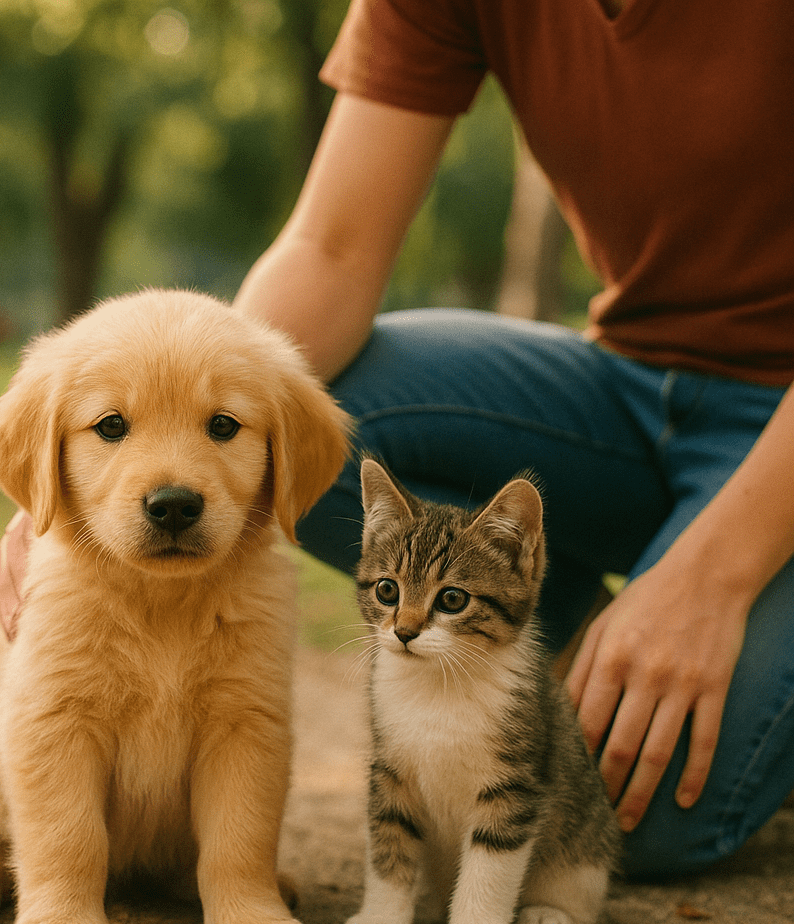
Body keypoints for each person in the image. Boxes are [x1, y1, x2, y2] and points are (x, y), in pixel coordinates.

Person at [229, 0, 794, 878]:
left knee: (618, 812)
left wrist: (709, 584)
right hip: (633, 384)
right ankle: (587, 666)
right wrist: (146, 455)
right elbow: (331, 249)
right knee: (304, 436)